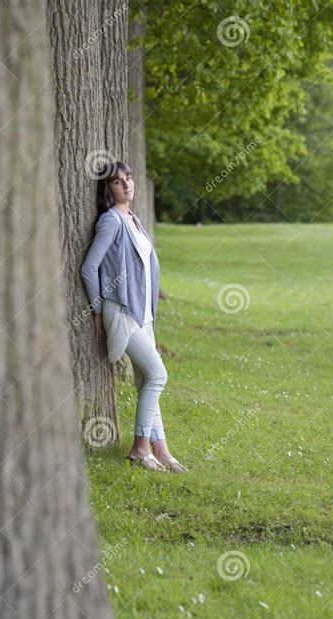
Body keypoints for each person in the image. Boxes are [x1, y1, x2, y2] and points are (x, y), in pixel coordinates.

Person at [81, 161, 187, 472]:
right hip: (123, 312)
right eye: (117, 181)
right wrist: (99, 311)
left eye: (128, 178)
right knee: (158, 375)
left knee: (145, 381)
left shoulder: (134, 220)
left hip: (144, 316)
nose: (127, 184)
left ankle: (161, 450)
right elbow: (89, 269)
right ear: (108, 190)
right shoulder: (112, 221)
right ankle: (140, 448)